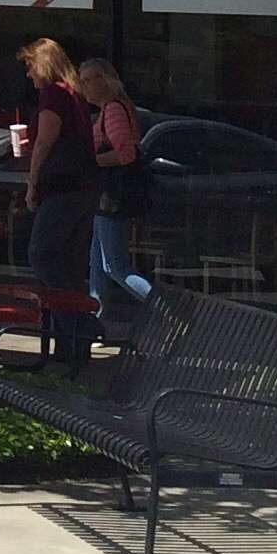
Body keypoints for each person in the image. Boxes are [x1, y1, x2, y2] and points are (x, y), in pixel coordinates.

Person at [13, 34, 101, 363]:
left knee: (43, 255)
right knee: (69, 261)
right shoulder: (75, 94)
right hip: (85, 186)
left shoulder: (53, 95)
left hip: (62, 187)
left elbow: (45, 142)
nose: (28, 75)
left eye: (30, 66)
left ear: (43, 64)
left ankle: (79, 323)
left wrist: (32, 182)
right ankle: (71, 344)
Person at [74, 55, 152, 340]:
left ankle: (164, 309)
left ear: (104, 80)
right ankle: (94, 322)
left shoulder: (114, 111)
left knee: (114, 266)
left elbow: (125, 154)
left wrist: (89, 162)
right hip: (104, 196)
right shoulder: (110, 109)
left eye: (87, 81)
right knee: (97, 263)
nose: (83, 88)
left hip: (112, 197)